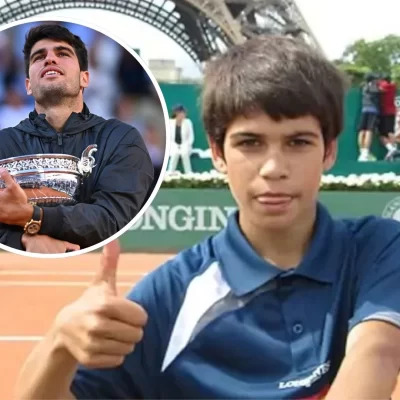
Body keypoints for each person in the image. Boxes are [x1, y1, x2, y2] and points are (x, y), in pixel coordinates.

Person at [15, 35, 400, 399]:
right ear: (217, 153)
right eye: (250, 143)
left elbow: (378, 350)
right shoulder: (170, 295)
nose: (273, 168)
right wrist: (60, 342)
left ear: (329, 151)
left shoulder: (379, 248)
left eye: (298, 142)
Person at [0, 24, 154, 254]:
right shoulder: (4, 143)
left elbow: (115, 218)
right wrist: (24, 240)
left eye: (62, 53)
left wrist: (35, 217)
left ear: (85, 78)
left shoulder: (121, 139)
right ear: (28, 85)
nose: (50, 59)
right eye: (39, 56)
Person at [357, 73, 381, 161]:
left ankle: (362, 152)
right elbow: (380, 91)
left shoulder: (364, 86)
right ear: (372, 80)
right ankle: (365, 153)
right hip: (372, 110)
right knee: (369, 131)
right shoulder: (373, 86)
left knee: (362, 131)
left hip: (364, 109)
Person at [167, 104, 194, 174]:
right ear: (176, 113)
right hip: (173, 146)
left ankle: (189, 173)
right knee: (175, 153)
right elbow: (168, 138)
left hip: (185, 145)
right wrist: (175, 145)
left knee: (184, 153)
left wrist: (186, 144)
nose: (183, 114)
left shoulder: (188, 122)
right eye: (181, 113)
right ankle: (170, 172)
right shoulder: (170, 123)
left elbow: (191, 137)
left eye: (184, 113)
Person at [378, 74, 398, 160]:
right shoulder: (393, 86)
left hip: (385, 112)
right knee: (390, 131)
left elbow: (380, 87)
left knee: (382, 134)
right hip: (392, 112)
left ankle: (392, 149)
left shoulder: (384, 85)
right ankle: (394, 149)